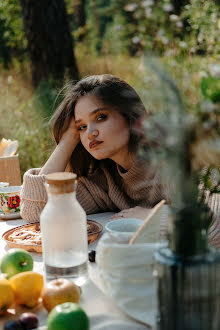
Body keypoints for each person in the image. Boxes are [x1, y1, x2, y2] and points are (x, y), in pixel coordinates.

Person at [20, 74, 220, 247]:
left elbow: (214, 228)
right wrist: (67, 140)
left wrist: (151, 218)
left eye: (101, 117)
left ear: (130, 116)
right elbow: (36, 211)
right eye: (82, 127)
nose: (90, 133)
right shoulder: (106, 181)